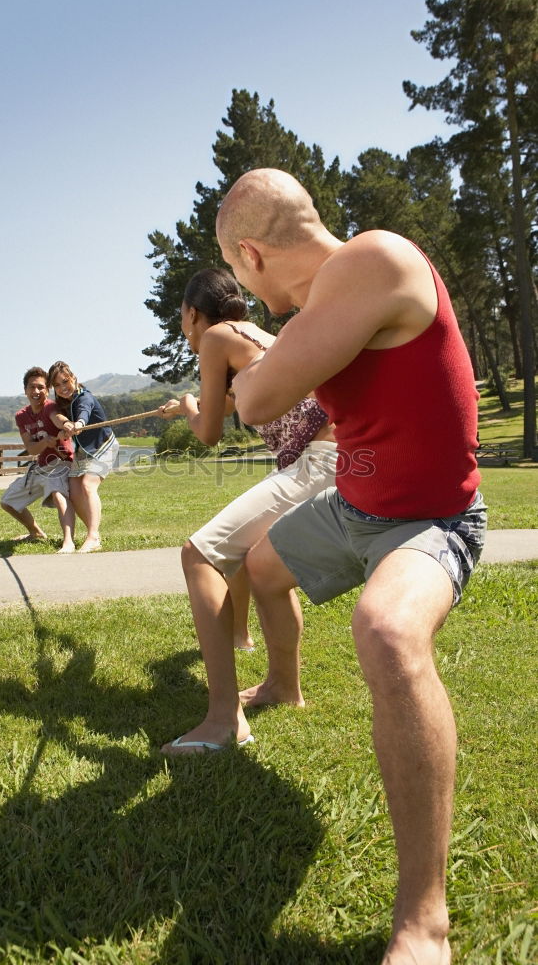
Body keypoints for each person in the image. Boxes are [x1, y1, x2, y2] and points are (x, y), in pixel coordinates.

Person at [214, 168, 486, 965]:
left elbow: (256, 401)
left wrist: (255, 371)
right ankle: (285, 684)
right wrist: (266, 365)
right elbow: (271, 382)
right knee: (260, 567)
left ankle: (424, 920)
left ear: (251, 256)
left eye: (235, 272)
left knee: (388, 631)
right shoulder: (323, 308)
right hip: (353, 509)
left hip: (431, 520)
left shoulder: (372, 261)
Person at [157, 267, 337, 754]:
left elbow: (210, 433)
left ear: (193, 313)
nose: (183, 324)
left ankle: (223, 721)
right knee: (263, 566)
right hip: (337, 458)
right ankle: (284, 687)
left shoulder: (214, 338)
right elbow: (240, 402)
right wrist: (189, 407)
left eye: (182, 314)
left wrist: (194, 409)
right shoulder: (257, 336)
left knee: (200, 554)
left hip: (315, 464)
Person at [0, 367, 76, 553]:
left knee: (58, 494)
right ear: (25, 390)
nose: (36, 392)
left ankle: (68, 541)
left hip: (61, 463)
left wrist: (67, 424)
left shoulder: (50, 406)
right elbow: (31, 449)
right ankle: (36, 533)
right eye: (32, 387)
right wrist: (44, 443)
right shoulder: (21, 416)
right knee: (7, 501)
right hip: (40, 466)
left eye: (41, 387)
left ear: (47, 390)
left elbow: (57, 418)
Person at [47, 361, 119, 553]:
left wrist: (79, 422)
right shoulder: (64, 404)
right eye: (57, 385)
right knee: (74, 489)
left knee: (88, 484)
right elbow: (63, 423)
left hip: (104, 445)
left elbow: (84, 411)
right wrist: (65, 431)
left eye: (65, 381)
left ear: (74, 378)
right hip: (84, 451)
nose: (63, 388)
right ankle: (93, 532)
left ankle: (93, 536)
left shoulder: (84, 397)